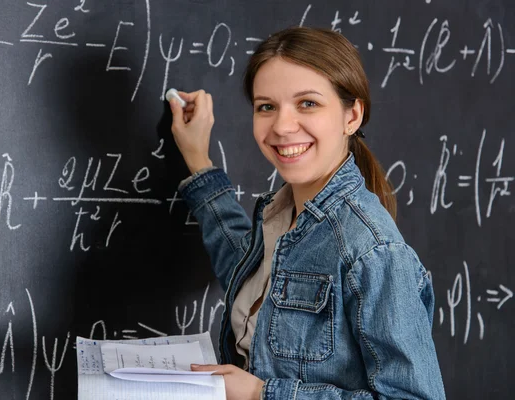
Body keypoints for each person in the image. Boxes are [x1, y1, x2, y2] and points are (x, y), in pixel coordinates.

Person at [168, 26, 446, 400]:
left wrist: (260, 395)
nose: (282, 126)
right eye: (266, 106)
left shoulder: (372, 250)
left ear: (352, 116)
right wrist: (198, 160)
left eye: (308, 103)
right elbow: (243, 265)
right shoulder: (282, 216)